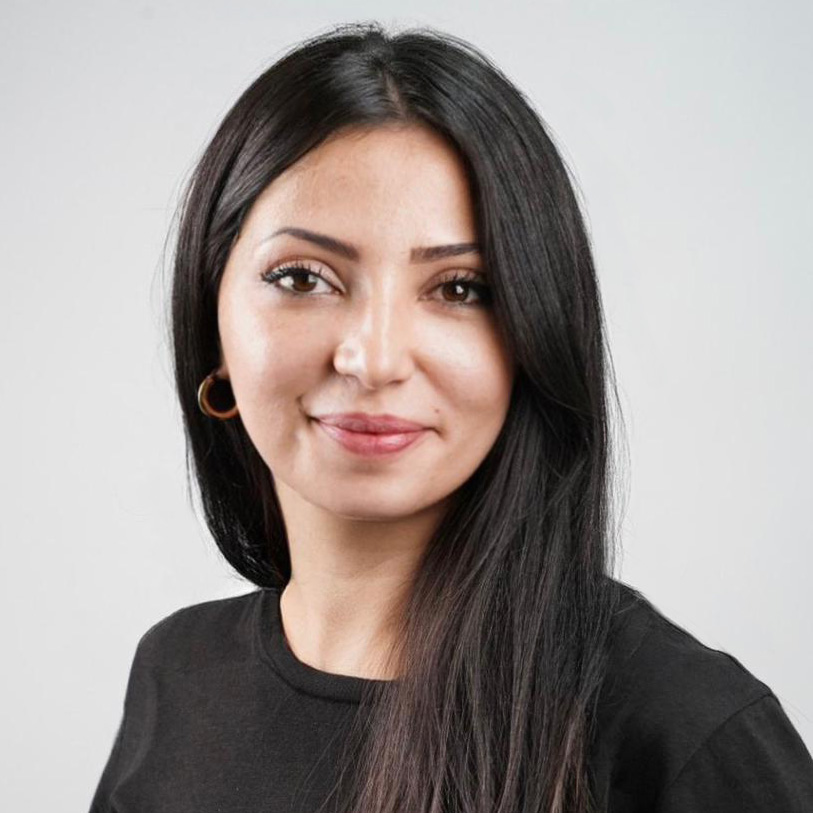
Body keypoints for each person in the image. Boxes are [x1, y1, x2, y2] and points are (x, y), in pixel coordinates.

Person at [88, 21, 813, 813]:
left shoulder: (675, 727)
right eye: (303, 277)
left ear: (533, 337)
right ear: (212, 319)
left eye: (459, 289)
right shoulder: (176, 673)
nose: (374, 357)